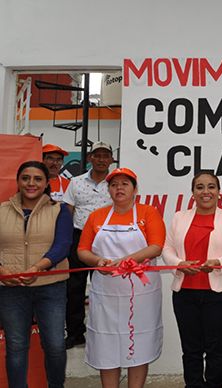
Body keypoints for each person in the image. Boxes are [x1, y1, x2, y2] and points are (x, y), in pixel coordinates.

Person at [76, 167, 166, 388]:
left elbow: (156, 246)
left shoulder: (148, 213)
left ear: (135, 189)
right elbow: (83, 250)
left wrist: (128, 260)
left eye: (125, 184)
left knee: (140, 342)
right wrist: (99, 262)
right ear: (109, 190)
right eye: (114, 184)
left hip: (141, 293)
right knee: (106, 343)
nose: (119, 188)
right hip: (106, 293)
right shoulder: (96, 216)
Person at [162, 171, 222, 388]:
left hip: (219, 295)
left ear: (219, 192)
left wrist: (218, 262)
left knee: (215, 348)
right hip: (185, 293)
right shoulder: (179, 217)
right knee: (190, 349)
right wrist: (179, 264)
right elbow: (167, 249)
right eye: (200, 187)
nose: (205, 192)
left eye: (211, 187)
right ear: (193, 192)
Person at [0, 161, 73, 388]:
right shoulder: (1, 210)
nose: (31, 183)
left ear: (46, 183)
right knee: (16, 346)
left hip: (50, 286)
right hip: (10, 289)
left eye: (38, 179)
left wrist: (38, 268)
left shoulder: (59, 210)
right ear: (18, 181)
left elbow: (63, 245)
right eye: (26, 178)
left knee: (54, 345)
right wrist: (2, 272)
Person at [62, 141, 114, 349]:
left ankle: (105, 332)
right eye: (97, 155)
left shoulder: (117, 182)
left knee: (106, 288)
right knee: (74, 287)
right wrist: (67, 242)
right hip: (79, 236)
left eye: (105, 155)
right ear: (90, 158)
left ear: (111, 159)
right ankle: (75, 333)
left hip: (107, 239)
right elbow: (68, 211)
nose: (101, 159)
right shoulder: (75, 182)